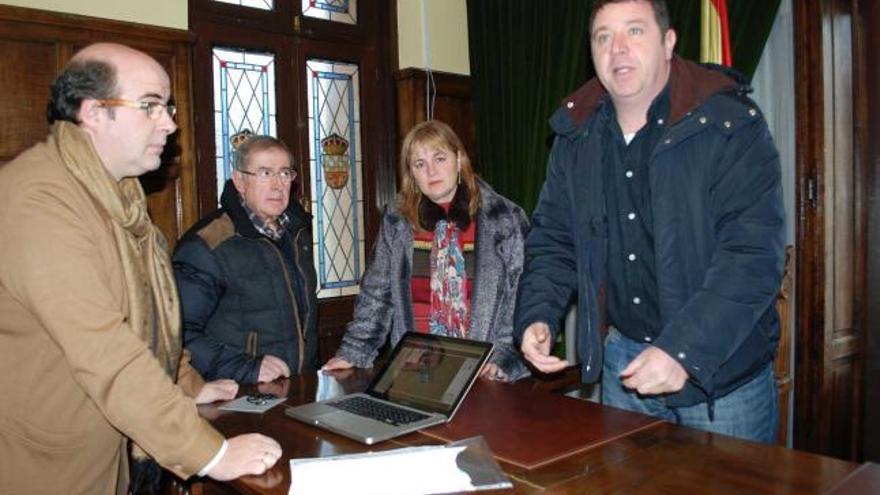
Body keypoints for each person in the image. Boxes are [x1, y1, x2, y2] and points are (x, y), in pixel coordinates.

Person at [0, 43, 282, 495]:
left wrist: (187, 383)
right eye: (150, 106)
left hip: (107, 453)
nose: (169, 123)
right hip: (47, 467)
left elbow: (149, 317)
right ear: (94, 112)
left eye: (167, 107)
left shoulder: (119, 196)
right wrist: (211, 454)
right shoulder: (39, 201)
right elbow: (105, 349)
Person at [515, 0, 785, 443]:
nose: (617, 48)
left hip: (721, 376)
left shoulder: (731, 124)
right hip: (625, 365)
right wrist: (537, 314)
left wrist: (682, 351)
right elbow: (555, 240)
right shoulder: (575, 136)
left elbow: (751, 256)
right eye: (603, 37)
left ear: (668, 42)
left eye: (634, 31)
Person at [323, 120, 529, 381]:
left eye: (439, 158)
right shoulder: (398, 220)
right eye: (419, 164)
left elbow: (522, 297)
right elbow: (377, 294)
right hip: (414, 373)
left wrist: (504, 358)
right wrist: (354, 351)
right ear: (412, 174)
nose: (431, 171)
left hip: (485, 372)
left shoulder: (504, 219)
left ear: (459, 160)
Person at [173, 133, 318, 384]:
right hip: (238, 391)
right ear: (240, 181)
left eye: (285, 173)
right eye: (265, 173)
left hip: (298, 385)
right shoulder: (209, 243)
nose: (277, 185)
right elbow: (178, 332)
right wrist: (246, 368)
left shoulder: (297, 232)